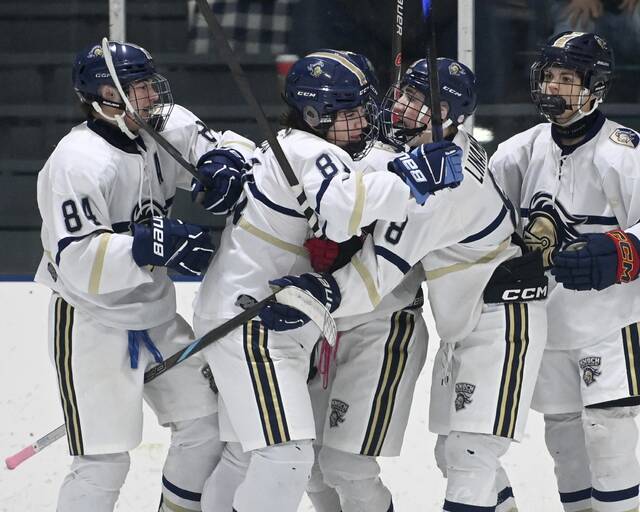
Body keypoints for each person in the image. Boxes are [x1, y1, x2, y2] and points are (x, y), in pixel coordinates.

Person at [261, 57, 548, 512]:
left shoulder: (445, 186)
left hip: (502, 316)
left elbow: (378, 273)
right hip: (465, 321)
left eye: (421, 101)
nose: (404, 106)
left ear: (451, 117)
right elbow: (383, 176)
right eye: (405, 93)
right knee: (452, 454)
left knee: (469, 456)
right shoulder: (434, 151)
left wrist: (322, 293)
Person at [191, 50, 460, 512]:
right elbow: (344, 210)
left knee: (242, 456)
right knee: (286, 458)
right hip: (252, 322)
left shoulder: (293, 145)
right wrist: (413, 176)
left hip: (255, 316)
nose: (364, 121)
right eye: (351, 113)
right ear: (315, 115)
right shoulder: (311, 150)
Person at [35, 41, 255, 512]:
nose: (152, 96)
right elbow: (75, 260)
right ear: (103, 96)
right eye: (138, 88)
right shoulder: (75, 162)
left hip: (155, 315)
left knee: (206, 425)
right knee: (103, 463)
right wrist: (149, 243)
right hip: (93, 323)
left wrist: (226, 162)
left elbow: (223, 144)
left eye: (151, 84)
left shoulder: (163, 127)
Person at [490, 31, 640, 512]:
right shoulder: (518, 151)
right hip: (545, 323)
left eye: (568, 79)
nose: (554, 88)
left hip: (609, 324)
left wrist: (623, 250)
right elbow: (480, 218)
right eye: (549, 76)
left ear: (595, 86)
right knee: (564, 439)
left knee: (609, 433)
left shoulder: (624, 152)